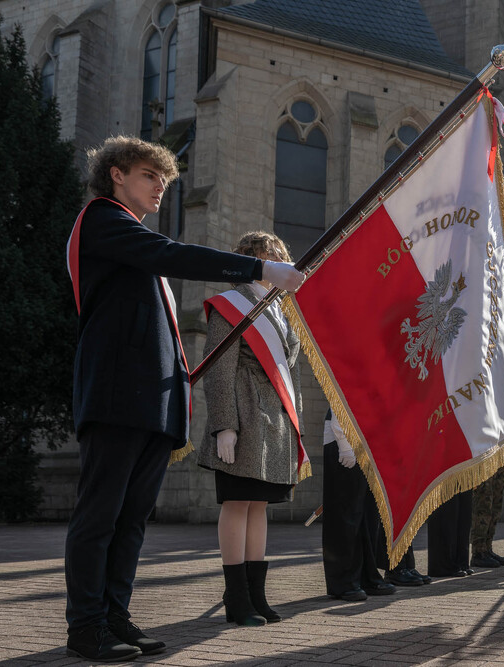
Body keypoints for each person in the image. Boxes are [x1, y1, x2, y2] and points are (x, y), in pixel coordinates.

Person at [64, 136, 304, 661]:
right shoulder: (104, 221)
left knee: (129, 521)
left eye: (165, 180)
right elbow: (172, 254)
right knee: (100, 516)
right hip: (116, 398)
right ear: (117, 175)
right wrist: (259, 269)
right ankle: (86, 626)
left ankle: (114, 617)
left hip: (152, 402)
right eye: (151, 176)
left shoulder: (131, 241)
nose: (160, 187)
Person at [198, 230, 310, 625]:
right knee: (237, 503)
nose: (283, 261)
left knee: (259, 505)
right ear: (254, 258)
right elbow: (218, 369)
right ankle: (237, 599)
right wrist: (224, 425)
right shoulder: (230, 305)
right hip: (244, 414)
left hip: (274, 422)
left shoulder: (279, 308)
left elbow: (289, 370)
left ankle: (256, 596)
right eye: (275, 255)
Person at [320, 409, 395, 601]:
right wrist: (345, 444)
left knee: (367, 517)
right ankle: (343, 582)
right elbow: (339, 398)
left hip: (365, 445)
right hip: (343, 443)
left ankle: (366, 577)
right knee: (345, 517)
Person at [470, 463, 504, 568]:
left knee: (496, 505)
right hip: (484, 455)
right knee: (484, 504)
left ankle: (487, 549)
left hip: (500, 454)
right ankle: (478, 552)